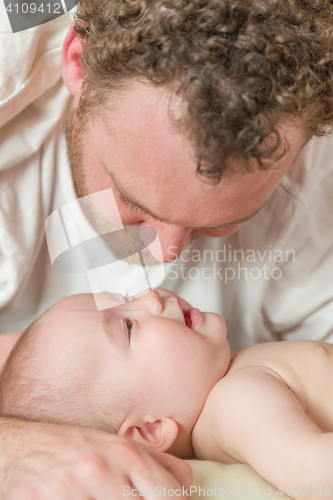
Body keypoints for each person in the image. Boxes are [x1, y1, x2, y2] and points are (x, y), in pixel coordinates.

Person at [1, 0, 333, 497]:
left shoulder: (317, 177)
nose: (167, 254)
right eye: (131, 202)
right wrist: (14, 446)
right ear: (78, 64)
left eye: (223, 224)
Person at [1, 287, 332, 499]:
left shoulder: (233, 382)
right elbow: (311, 469)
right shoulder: (236, 403)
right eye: (128, 325)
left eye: (126, 296)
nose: (151, 296)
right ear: (151, 429)